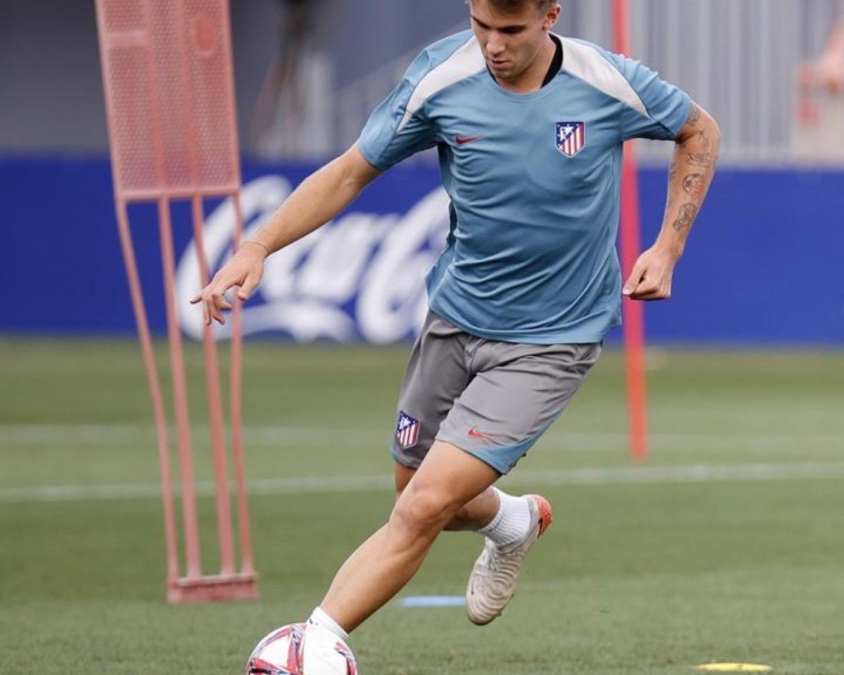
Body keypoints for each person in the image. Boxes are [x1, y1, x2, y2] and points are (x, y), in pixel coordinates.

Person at [192, 0, 721, 654]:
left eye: (512, 30)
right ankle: (513, 519)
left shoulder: (606, 81)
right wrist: (256, 246)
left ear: (551, 14)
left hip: (553, 339)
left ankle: (314, 644)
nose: (494, 45)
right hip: (455, 319)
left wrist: (668, 247)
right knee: (414, 491)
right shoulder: (440, 77)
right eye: (481, 26)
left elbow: (700, 131)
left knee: (419, 509)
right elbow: (353, 170)